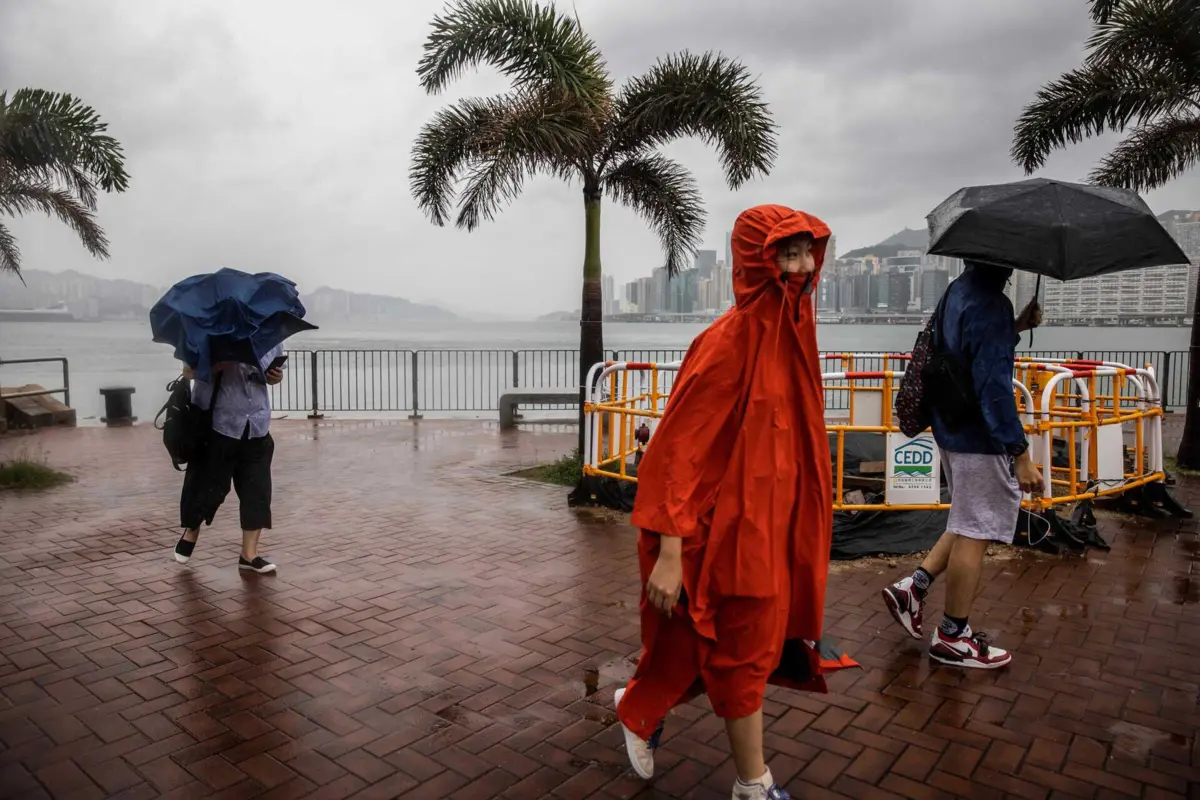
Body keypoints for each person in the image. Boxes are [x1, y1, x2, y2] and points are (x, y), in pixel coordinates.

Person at [613, 205, 854, 800]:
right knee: (742, 654)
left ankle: (638, 705)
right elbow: (676, 451)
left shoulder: (796, 335)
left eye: (805, 253)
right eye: (785, 254)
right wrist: (671, 551)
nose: (799, 268)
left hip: (770, 532)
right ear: (756, 260)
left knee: (728, 648)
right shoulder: (728, 342)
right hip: (723, 534)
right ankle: (754, 784)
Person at [881, 261, 1043, 668]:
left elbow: (962, 350)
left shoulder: (957, 291)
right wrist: (1019, 453)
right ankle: (953, 636)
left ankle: (912, 590)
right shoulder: (991, 303)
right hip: (979, 435)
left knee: (968, 517)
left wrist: (1017, 325)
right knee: (977, 530)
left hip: (950, 427)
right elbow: (993, 387)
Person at [174, 345, 285, 573]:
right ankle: (191, 530)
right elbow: (188, 372)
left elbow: (275, 374)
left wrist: (275, 376)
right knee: (207, 488)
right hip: (217, 425)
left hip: (257, 424)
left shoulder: (269, 335)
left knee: (257, 491)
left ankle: (249, 554)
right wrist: (211, 367)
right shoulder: (209, 332)